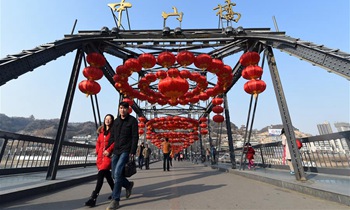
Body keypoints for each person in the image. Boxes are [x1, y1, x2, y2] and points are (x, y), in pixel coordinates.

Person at [105, 102, 139, 210]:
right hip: (116, 150)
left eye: (124, 108)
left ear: (128, 109)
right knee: (115, 175)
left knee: (118, 172)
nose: (122, 110)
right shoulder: (116, 122)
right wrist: (108, 148)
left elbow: (135, 136)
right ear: (119, 109)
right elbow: (113, 136)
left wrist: (132, 150)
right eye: (120, 108)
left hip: (126, 150)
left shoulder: (132, 120)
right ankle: (128, 185)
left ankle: (116, 200)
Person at [85, 114, 115, 207]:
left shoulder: (113, 132)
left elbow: (115, 142)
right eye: (106, 119)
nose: (108, 121)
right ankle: (115, 192)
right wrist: (98, 151)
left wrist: (109, 150)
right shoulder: (101, 132)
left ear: (112, 121)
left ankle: (93, 198)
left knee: (101, 175)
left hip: (108, 157)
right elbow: (98, 142)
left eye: (110, 119)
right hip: (100, 158)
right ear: (104, 120)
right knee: (108, 176)